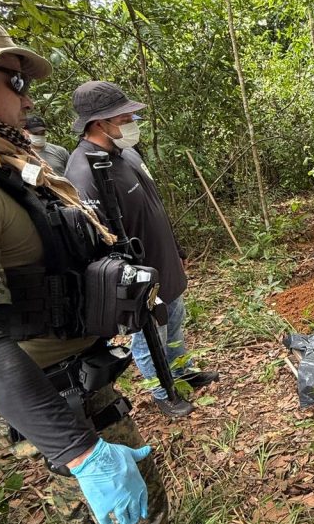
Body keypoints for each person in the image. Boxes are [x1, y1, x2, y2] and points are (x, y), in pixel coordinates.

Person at [0, 0, 168, 523]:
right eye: (15, 80)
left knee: (146, 500)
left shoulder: (1, 162)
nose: (27, 98)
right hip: (51, 395)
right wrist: (81, 453)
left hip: (80, 376)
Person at [65, 81, 218, 418]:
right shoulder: (83, 171)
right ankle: (163, 391)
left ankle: (181, 372)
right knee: (151, 337)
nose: (132, 121)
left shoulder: (127, 153)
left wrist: (176, 250)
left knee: (174, 321)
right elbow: (95, 241)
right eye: (124, 118)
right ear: (99, 123)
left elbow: (153, 206)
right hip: (139, 275)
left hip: (165, 262)